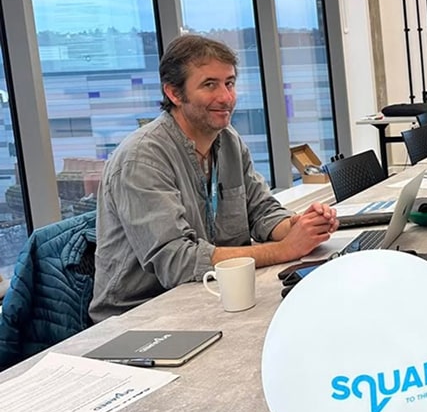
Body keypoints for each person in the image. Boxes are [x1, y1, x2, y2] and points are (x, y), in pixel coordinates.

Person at [90, 35, 338, 321]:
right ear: (173, 93)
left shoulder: (228, 141)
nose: (226, 97)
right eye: (210, 85)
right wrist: (285, 249)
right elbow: (178, 262)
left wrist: (300, 226)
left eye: (229, 83)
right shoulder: (141, 159)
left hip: (209, 297)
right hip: (140, 317)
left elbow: (261, 211)